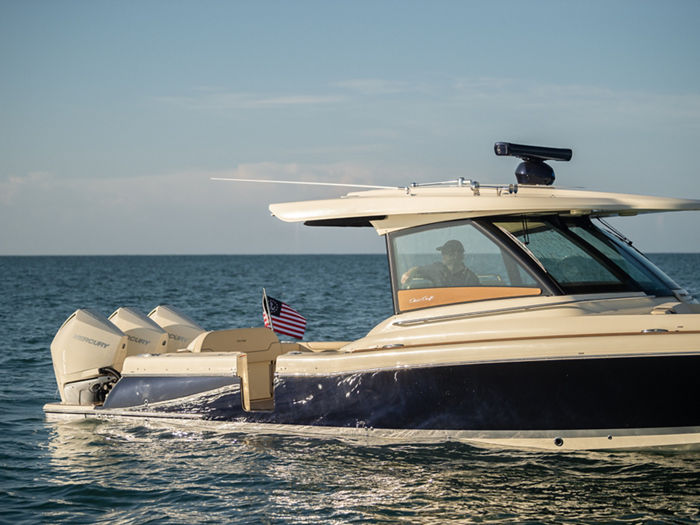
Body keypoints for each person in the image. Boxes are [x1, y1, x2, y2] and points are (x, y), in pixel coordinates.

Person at [401, 240, 479, 287]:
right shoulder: (437, 269)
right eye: (442, 252)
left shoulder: (470, 278)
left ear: (455, 255)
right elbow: (418, 269)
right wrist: (409, 273)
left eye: (445, 252)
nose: (442, 255)